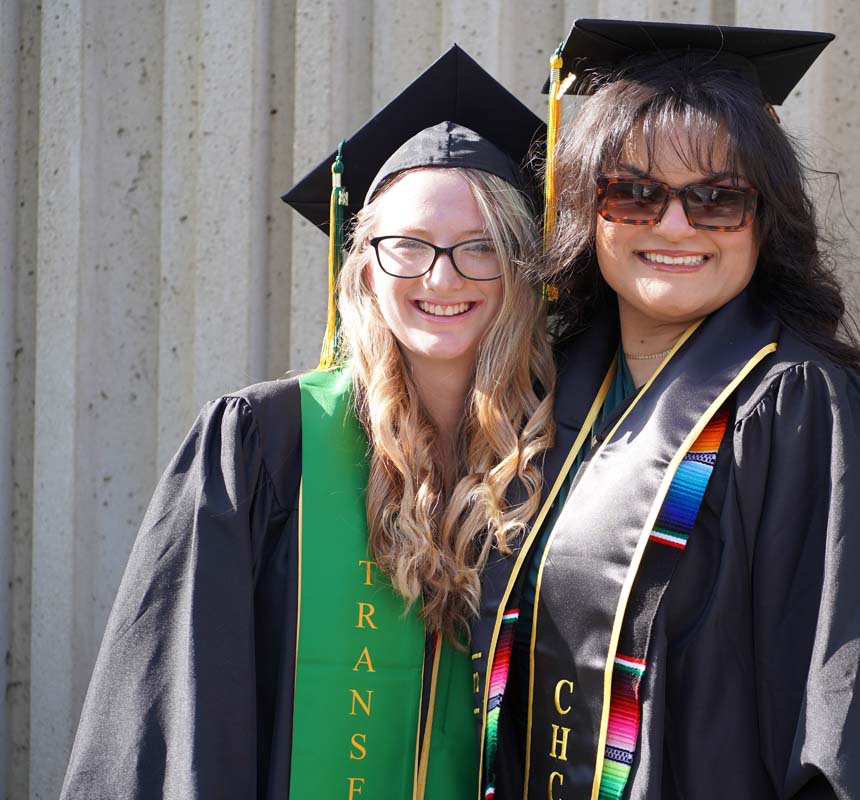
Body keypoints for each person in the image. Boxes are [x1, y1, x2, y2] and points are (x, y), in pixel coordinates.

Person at [471, 19, 860, 800]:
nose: (673, 225)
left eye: (717, 199)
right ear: (586, 212)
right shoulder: (546, 404)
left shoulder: (802, 414)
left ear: (763, 221)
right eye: (634, 192)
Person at [59, 46, 554, 800]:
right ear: (363, 270)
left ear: (523, 269)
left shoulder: (571, 451)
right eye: (408, 247)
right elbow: (181, 706)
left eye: (480, 247)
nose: (442, 277)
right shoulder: (264, 445)